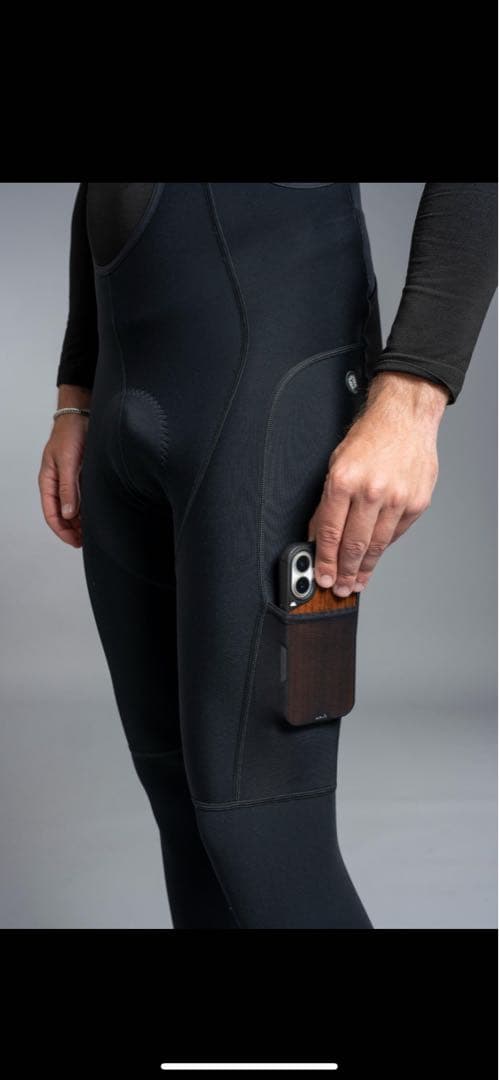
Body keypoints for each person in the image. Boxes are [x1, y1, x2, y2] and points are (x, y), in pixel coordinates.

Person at [38, 182, 497, 929]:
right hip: (125, 398)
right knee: (184, 813)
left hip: (274, 391)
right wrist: (77, 390)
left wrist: (415, 392)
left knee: (260, 830)